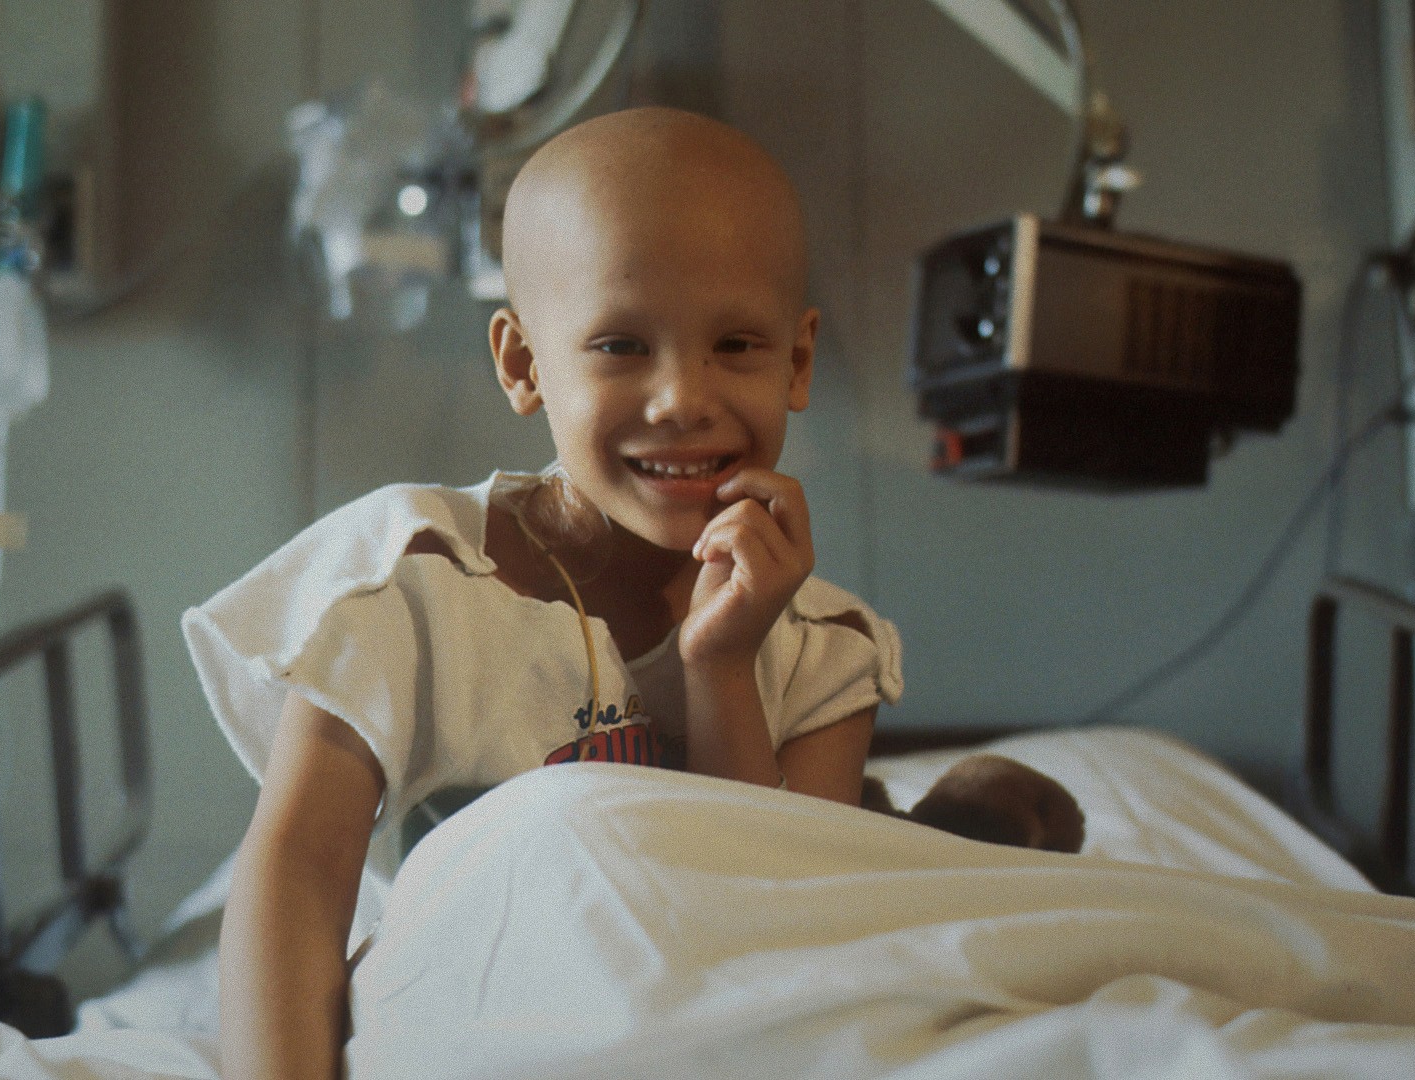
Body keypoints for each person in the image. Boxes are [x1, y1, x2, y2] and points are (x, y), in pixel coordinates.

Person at [181, 106, 902, 1080]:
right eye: (621, 346)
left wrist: (721, 668)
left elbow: (771, 936)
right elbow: (300, 877)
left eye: (737, 344)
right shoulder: (405, 585)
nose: (683, 399)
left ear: (797, 362)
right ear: (523, 364)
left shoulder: (826, 653)